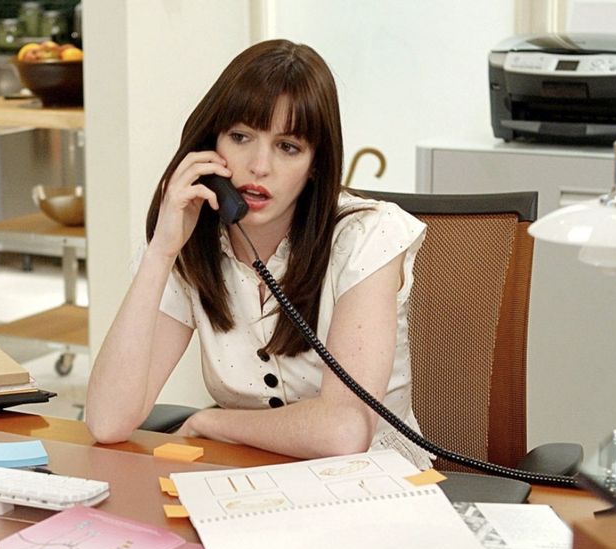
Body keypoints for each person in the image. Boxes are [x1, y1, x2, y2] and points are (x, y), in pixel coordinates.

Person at [85, 39, 430, 467]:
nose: (259, 165)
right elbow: (107, 421)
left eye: (288, 147)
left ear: (316, 164)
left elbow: (344, 431)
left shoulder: (365, 236)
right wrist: (161, 252)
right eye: (241, 136)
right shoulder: (192, 246)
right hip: (244, 481)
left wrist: (212, 424)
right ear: (211, 145)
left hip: (373, 486)